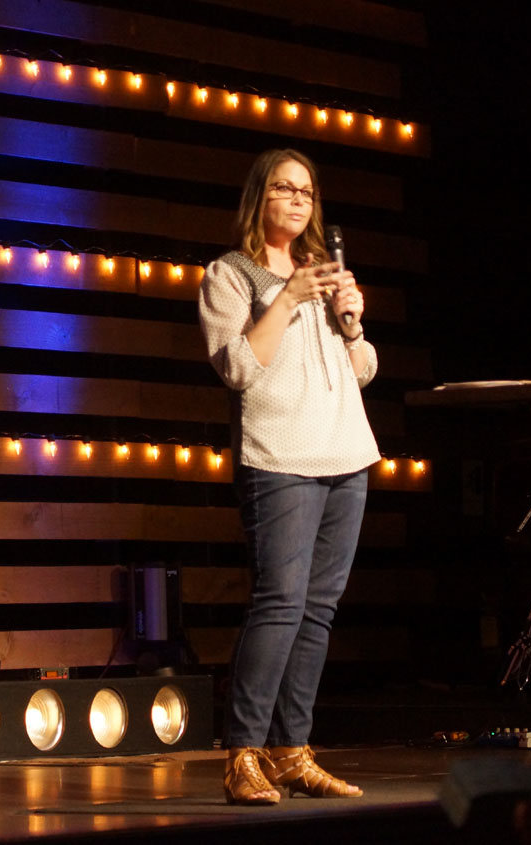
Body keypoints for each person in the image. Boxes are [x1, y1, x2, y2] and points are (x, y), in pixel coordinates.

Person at [198, 148, 380, 805]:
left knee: (319, 609)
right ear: (260, 197)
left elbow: (362, 370)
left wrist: (352, 322)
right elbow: (237, 367)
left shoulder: (320, 272)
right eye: (285, 188)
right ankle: (243, 752)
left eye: (307, 191)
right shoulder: (231, 274)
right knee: (280, 602)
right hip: (280, 458)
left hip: (346, 454)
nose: (299, 200)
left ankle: (291, 750)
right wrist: (287, 298)